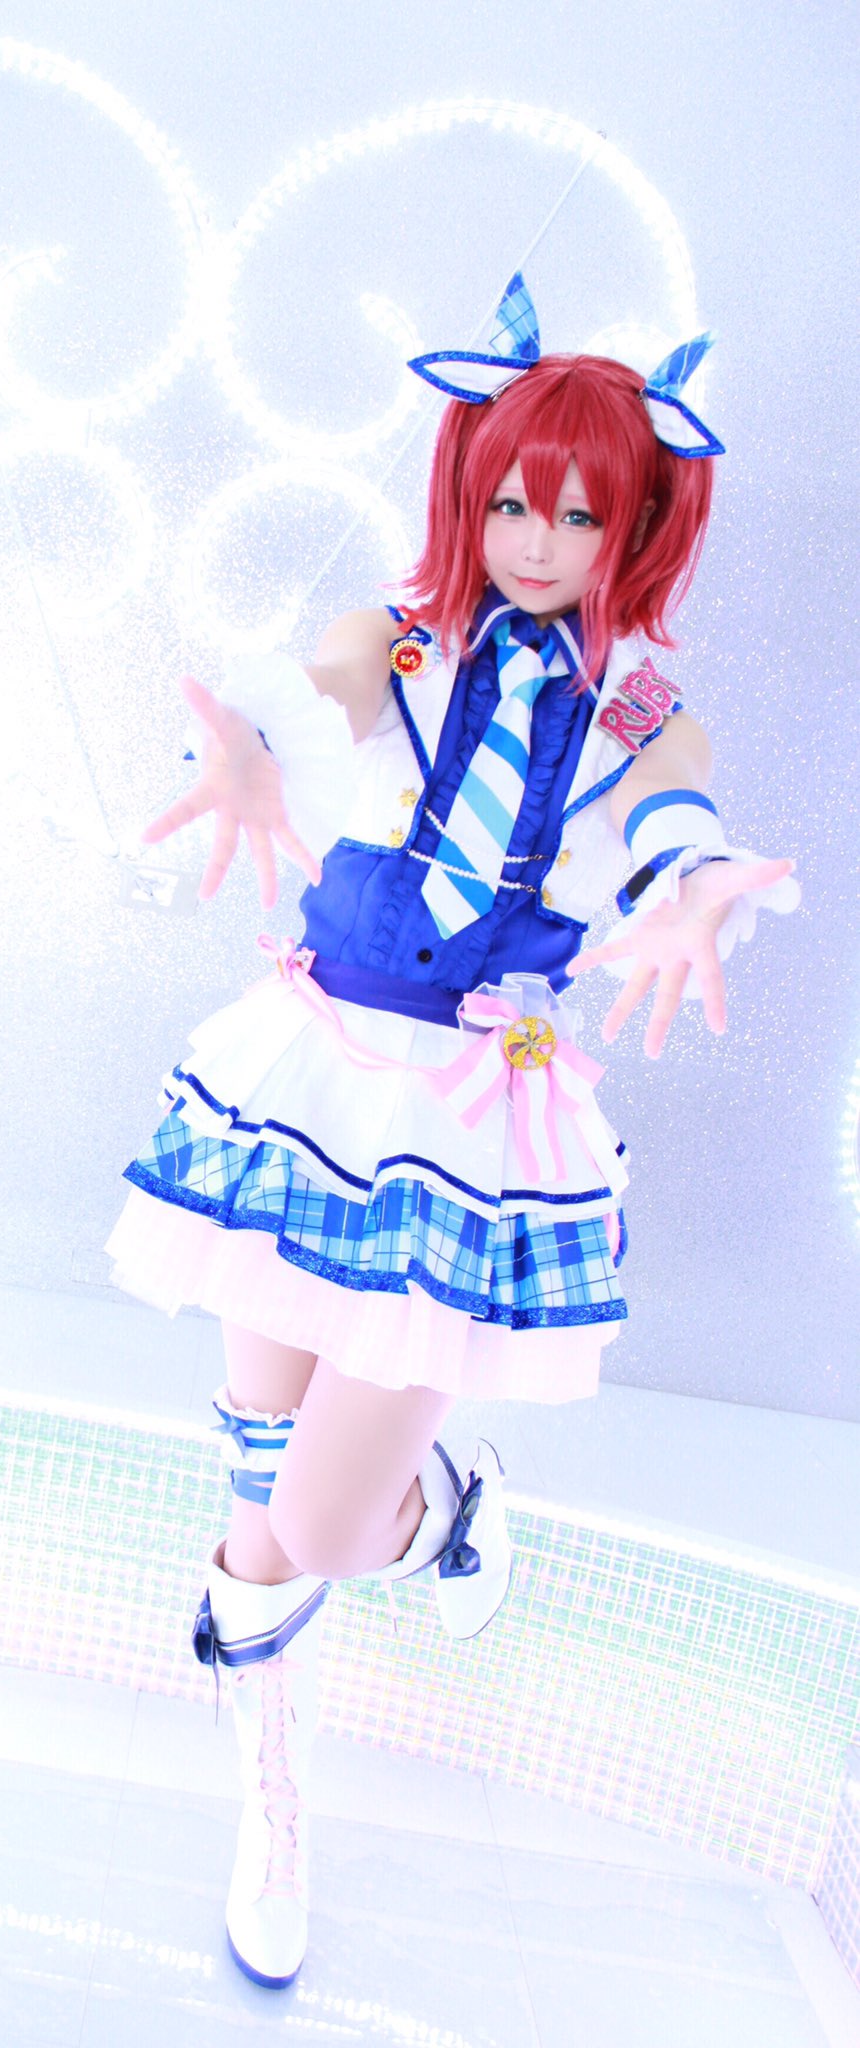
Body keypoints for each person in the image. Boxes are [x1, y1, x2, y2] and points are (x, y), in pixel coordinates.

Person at [105, 274, 798, 1989]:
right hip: (314, 1077)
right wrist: (254, 749)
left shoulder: (641, 712)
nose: (536, 542)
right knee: (258, 1478)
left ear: (637, 525)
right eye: (510, 503)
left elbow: (679, 816)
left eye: (579, 513)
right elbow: (320, 680)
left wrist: (694, 888)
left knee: (331, 1526)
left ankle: (442, 1508)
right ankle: (272, 1794)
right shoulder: (410, 637)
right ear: (468, 496)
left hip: (469, 1120)